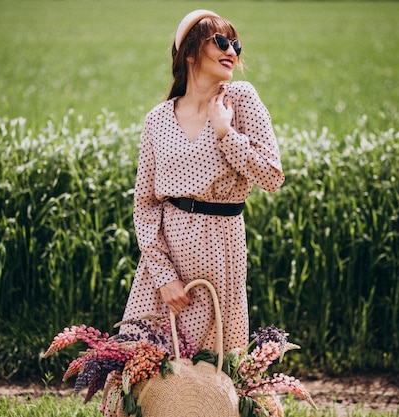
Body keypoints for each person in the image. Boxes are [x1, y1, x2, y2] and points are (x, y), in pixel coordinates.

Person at [120, 8, 284, 361]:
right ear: (190, 54)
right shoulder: (157, 119)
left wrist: (226, 133)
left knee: (215, 367)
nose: (232, 50)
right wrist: (163, 276)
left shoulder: (240, 100)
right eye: (221, 41)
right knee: (148, 365)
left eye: (236, 44)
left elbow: (271, 176)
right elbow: (145, 205)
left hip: (221, 254)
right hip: (166, 260)